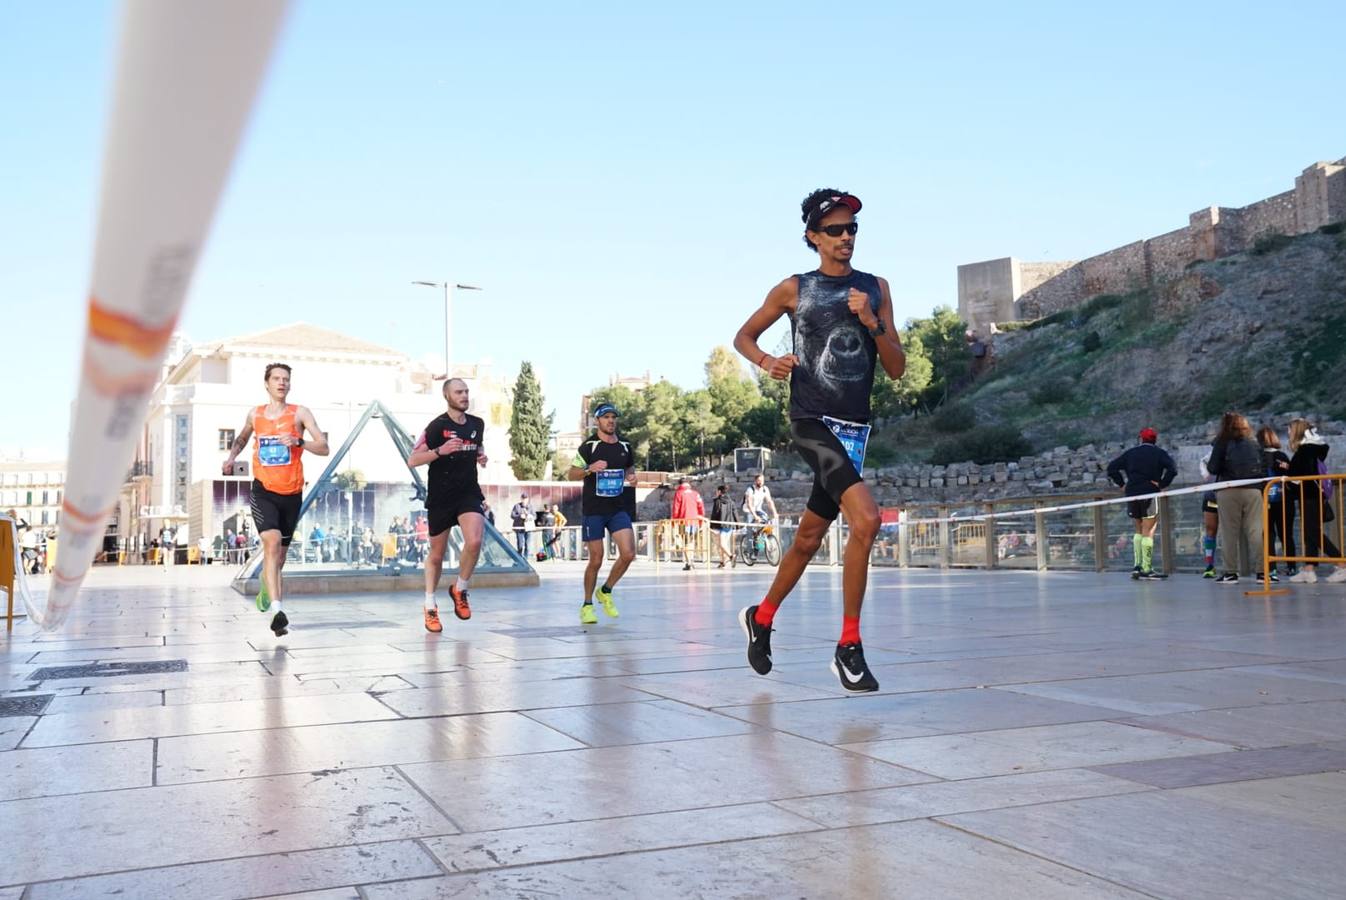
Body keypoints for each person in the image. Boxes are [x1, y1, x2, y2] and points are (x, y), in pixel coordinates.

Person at [732, 188, 905, 692]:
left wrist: (872, 322)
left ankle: (760, 618)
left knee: (807, 539)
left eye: (852, 228)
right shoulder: (794, 288)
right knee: (867, 520)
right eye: (835, 230)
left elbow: (895, 368)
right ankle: (849, 644)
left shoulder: (876, 288)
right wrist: (768, 363)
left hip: (854, 431)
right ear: (814, 237)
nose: (846, 237)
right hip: (811, 421)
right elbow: (743, 336)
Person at [221, 362, 330, 636]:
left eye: (286, 379)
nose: (282, 383)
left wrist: (299, 442)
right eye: (277, 378)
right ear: (267, 383)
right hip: (263, 490)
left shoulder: (299, 414)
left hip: (292, 493)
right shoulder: (255, 414)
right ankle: (278, 612)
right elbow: (242, 438)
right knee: (270, 543)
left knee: (279, 558)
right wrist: (232, 458)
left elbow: (324, 447)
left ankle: (266, 585)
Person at [408, 377, 488, 630]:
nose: (464, 396)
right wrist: (440, 451)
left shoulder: (477, 423)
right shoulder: (436, 427)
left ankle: (460, 589)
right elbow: (413, 459)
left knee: (474, 541)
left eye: (466, 391)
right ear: (447, 396)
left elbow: (477, 444)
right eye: (458, 392)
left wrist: (481, 455)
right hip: (441, 496)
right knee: (437, 555)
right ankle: (430, 606)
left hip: (468, 493)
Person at [568, 403, 638, 624]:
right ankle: (587, 605)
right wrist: (589, 469)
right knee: (596, 559)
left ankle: (605, 590)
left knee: (628, 554)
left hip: (617, 508)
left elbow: (629, 468)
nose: (611, 421)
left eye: (613, 417)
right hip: (594, 510)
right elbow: (571, 474)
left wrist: (632, 477)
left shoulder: (625, 445)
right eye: (606, 417)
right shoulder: (589, 446)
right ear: (597, 421)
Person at [1106, 427, 1177, 580]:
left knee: (1138, 528)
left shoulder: (1131, 453)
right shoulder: (1159, 453)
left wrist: (1122, 484)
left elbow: (1111, 468)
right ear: (1155, 439)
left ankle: (1137, 566)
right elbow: (1173, 469)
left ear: (1141, 439)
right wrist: (1162, 484)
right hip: (1149, 491)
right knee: (1149, 530)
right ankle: (1147, 568)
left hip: (1131, 493)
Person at [1206, 411, 1265, 584]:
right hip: (1254, 490)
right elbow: (1264, 466)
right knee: (1255, 531)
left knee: (1229, 532)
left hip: (1229, 489)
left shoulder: (1222, 442)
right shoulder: (1254, 442)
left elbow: (1213, 468)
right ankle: (1263, 572)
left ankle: (1230, 572)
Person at [1287, 419, 1344, 584]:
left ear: (1296, 431)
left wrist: (1289, 479)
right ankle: (1309, 569)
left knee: (1313, 532)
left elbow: (1299, 475)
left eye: (1290, 429)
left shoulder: (1305, 451)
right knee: (1310, 532)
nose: (1288, 433)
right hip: (1316, 495)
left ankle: (1341, 564)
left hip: (1309, 495)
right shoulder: (1315, 449)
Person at [1258, 424, 1292, 578]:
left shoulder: (1258, 458)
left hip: (1264, 501)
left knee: (1268, 535)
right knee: (1286, 534)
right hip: (1285, 500)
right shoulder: (1282, 456)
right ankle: (1292, 566)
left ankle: (1271, 569)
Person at [670, 478, 704, 570]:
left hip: (683, 521)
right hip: (694, 521)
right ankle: (691, 559)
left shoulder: (679, 493)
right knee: (691, 540)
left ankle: (689, 562)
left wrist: (674, 521)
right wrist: (700, 520)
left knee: (685, 540)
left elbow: (676, 509)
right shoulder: (695, 493)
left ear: (680, 484)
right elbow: (700, 507)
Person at [1199, 452, 1219, 579]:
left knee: (1231, 532)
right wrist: (1205, 475)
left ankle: (1233, 568)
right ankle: (1210, 565)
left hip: (1230, 496)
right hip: (1212, 496)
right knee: (1210, 530)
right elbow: (1203, 461)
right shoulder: (1214, 451)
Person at [710, 483, 738, 568]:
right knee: (724, 544)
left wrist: (711, 525)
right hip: (729, 524)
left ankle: (731, 556)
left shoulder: (717, 501)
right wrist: (737, 525)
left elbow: (715, 514)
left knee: (722, 544)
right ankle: (723, 562)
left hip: (721, 525)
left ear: (719, 491)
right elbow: (735, 512)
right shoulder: (731, 501)